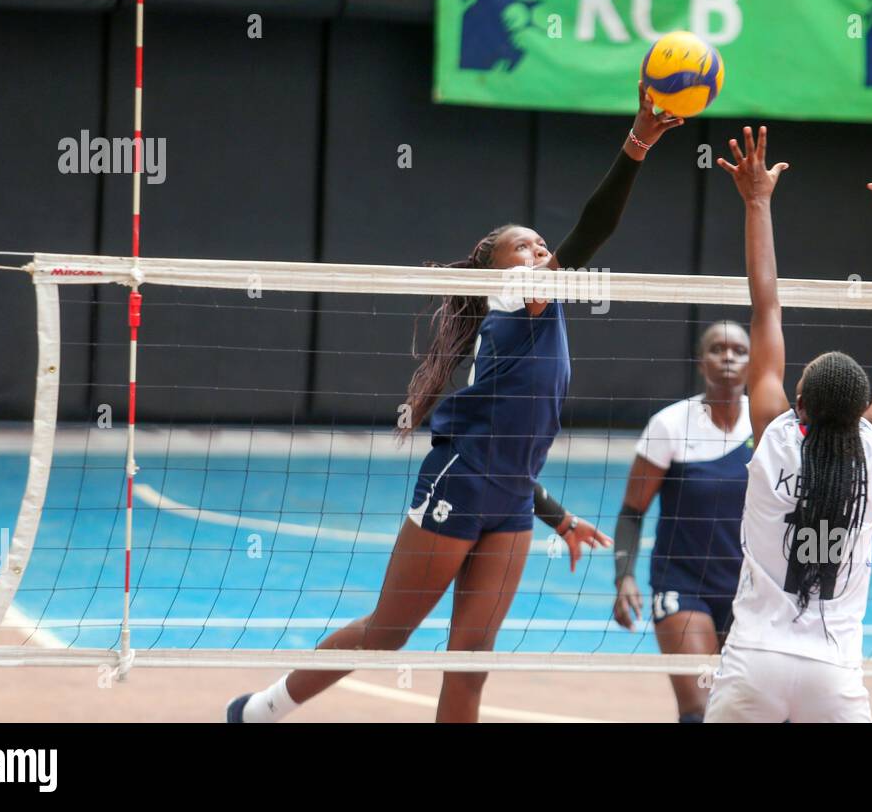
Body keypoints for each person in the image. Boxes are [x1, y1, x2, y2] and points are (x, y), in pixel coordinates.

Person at [227, 84, 682, 722]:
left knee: (471, 662)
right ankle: (259, 710)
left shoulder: (543, 312)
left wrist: (556, 515)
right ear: (494, 268)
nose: (539, 252)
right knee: (389, 634)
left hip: (513, 499)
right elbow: (593, 230)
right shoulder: (515, 293)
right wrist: (637, 141)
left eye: (541, 245)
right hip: (459, 485)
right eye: (523, 246)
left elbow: (512, 446)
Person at [705, 132, 872, 723]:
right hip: (833, 674)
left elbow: (765, 306)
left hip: (753, 663)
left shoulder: (772, 432)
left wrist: (757, 202)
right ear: (865, 407)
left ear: (797, 399)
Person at [612, 320, 755, 722]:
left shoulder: (768, 426)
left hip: (751, 590)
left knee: (759, 709)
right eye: (717, 349)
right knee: (700, 710)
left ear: (752, 362)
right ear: (700, 360)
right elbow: (631, 511)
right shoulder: (670, 425)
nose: (728, 356)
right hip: (683, 584)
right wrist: (623, 575)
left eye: (739, 350)